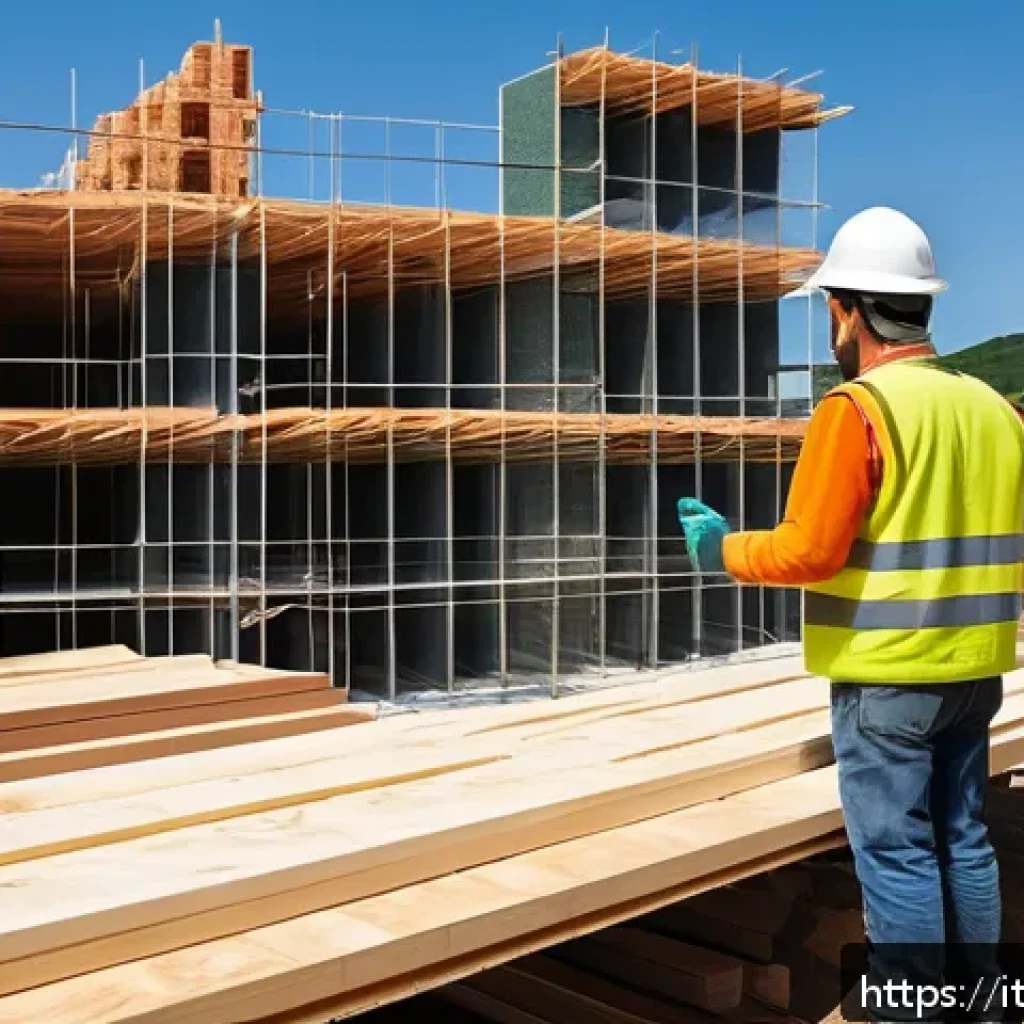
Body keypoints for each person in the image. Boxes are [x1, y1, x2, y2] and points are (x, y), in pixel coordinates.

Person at [677, 206, 1024, 1022]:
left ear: (848, 310)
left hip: (887, 679)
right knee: (963, 839)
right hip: (977, 672)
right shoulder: (996, 409)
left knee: (898, 854)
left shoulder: (857, 410)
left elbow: (810, 551)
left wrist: (721, 549)